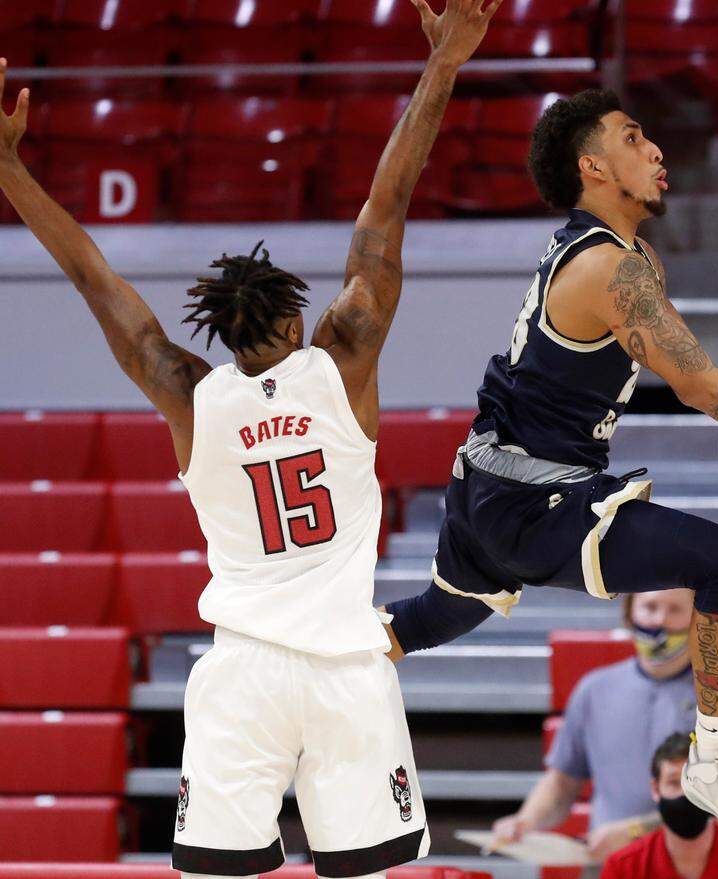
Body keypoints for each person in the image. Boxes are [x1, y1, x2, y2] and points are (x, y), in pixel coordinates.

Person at [0, 3, 501, 876]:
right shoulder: (342, 359)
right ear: (302, 316)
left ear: (222, 338)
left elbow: (94, 279)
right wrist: (444, 64)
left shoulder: (186, 391)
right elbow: (386, 211)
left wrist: (8, 170)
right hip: (347, 667)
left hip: (244, 674)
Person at [382, 89, 718, 853]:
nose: (657, 149)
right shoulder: (609, 266)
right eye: (635, 137)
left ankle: (317, 659)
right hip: (532, 492)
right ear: (594, 166)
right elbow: (700, 385)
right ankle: (717, 758)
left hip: (488, 478)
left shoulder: (613, 255)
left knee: (434, 617)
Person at [492, 589, 718, 862]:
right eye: (651, 606)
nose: (660, 620)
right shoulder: (594, 690)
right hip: (608, 866)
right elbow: (562, 783)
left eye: (675, 609)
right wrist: (524, 822)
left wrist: (635, 832)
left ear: (697, 619)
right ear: (630, 612)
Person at [600, 733, 718, 879]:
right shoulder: (623, 868)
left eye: (696, 781)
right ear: (656, 789)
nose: (686, 793)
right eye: (673, 782)